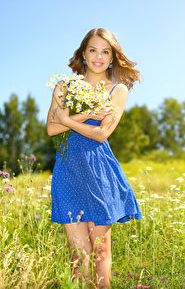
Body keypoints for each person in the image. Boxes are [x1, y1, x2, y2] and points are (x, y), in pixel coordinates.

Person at [46, 28, 143, 288]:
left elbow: (101, 134)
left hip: (100, 173)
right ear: (83, 54)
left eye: (105, 51)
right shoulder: (64, 86)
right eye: (93, 50)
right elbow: (52, 129)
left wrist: (65, 119)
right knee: (79, 256)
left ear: (112, 57)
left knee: (100, 253)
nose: (98, 56)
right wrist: (78, 116)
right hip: (68, 173)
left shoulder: (117, 90)